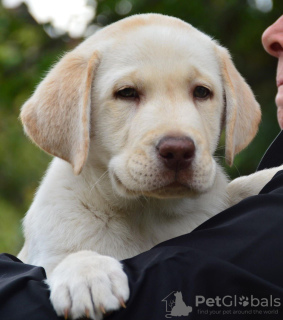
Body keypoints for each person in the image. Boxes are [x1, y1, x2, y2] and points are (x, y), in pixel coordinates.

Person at [1, 15, 283, 320]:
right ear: (76, 117)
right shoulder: (60, 221)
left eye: (201, 92)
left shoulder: (243, 208)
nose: (178, 142)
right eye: (127, 93)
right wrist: (74, 264)